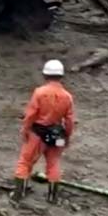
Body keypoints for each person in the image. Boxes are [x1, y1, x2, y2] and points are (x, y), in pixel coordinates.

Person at [12, 59, 75, 203]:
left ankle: (18, 195)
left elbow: (31, 114)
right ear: (61, 76)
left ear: (45, 74)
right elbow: (70, 120)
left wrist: (25, 129)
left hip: (37, 133)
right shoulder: (67, 96)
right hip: (57, 134)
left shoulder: (39, 92)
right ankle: (53, 197)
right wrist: (67, 137)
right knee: (54, 163)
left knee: (25, 162)